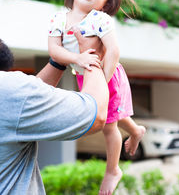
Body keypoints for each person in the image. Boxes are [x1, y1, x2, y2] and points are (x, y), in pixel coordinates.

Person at [48, 0, 146, 195]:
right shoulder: (58, 18)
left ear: (104, 3)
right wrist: (77, 58)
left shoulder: (99, 19)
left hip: (107, 74)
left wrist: (104, 79)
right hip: (85, 75)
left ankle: (113, 170)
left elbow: (113, 50)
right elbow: (54, 50)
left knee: (109, 125)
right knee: (113, 115)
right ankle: (136, 130)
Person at [0, 35, 109, 195]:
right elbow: (96, 113)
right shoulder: (9, 90)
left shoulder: (12, 96)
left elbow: (23, 109)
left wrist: (59, 61)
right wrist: (91, 53)